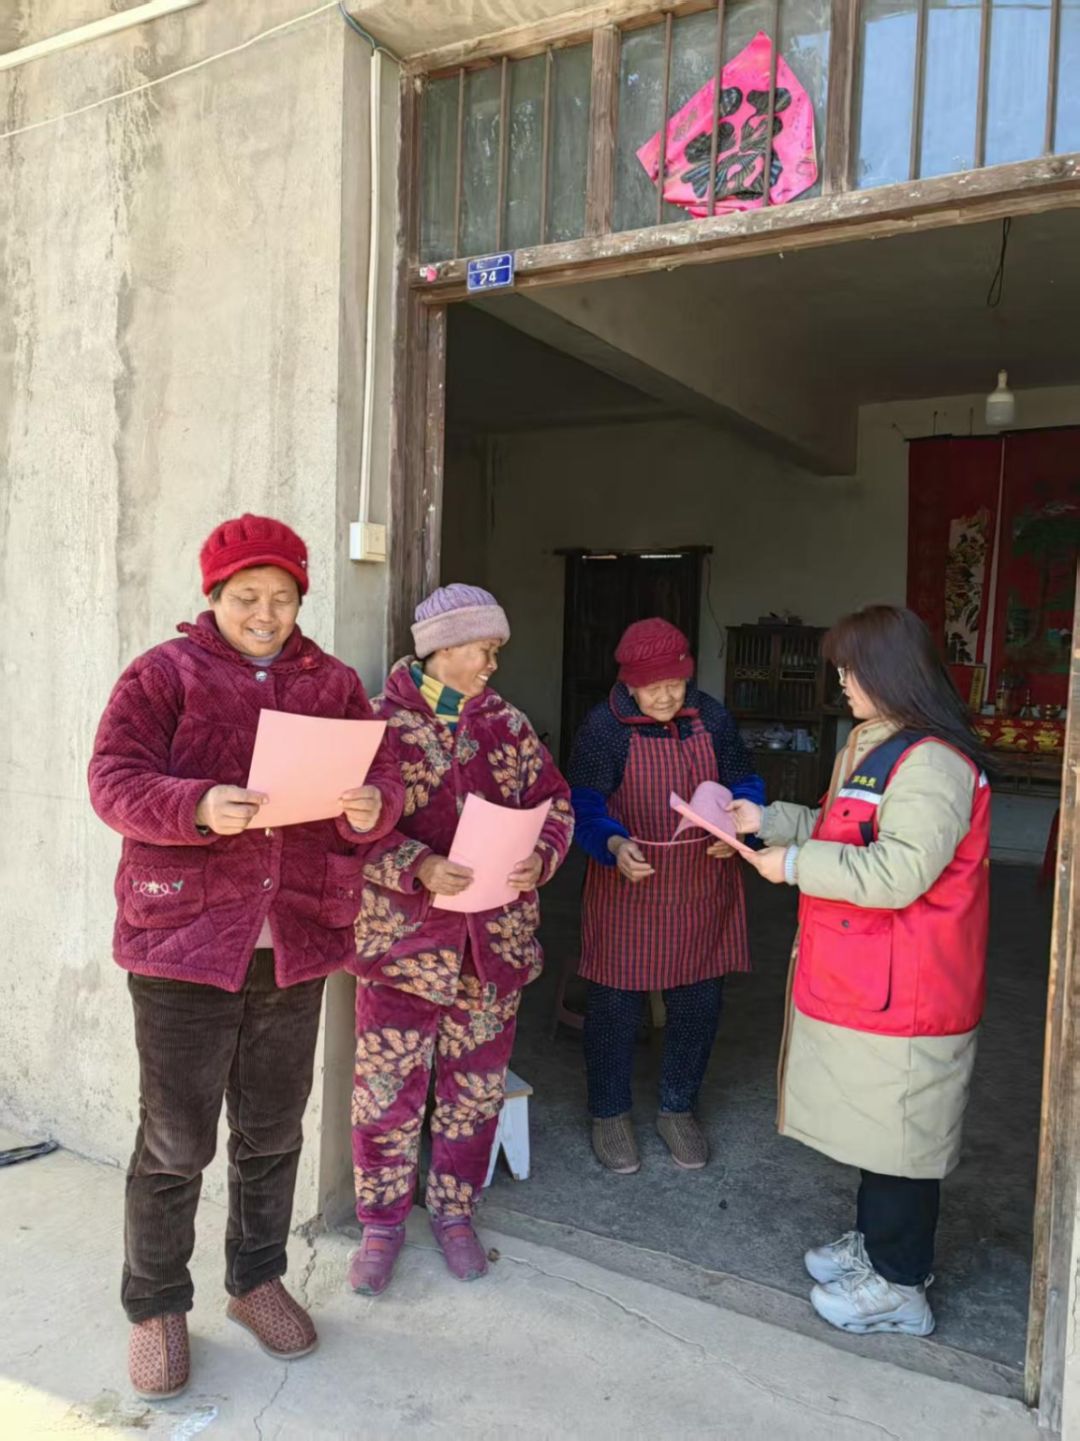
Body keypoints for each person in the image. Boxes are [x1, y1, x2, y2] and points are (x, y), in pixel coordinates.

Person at [88, 514, 403, 1400]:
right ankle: (156, 1303)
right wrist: (195, 805)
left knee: (272, 1128)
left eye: (282, 597)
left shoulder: (332, 684)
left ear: (301, 598)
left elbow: (381, 782)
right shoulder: (165, 673)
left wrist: (370, 807)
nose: (265, 613)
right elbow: (112, 780)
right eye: (246, 596)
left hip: (295, 941)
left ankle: (256, 1279)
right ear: (215, 595)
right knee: (174, 1137)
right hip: (184, 941)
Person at [729, 605, 990, 1338]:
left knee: (903, 1136)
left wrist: (793, 865)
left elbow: (898, 871)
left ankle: (901, 1285)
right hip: (875, 976)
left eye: (849, 669)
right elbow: (840, 827)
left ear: (888, 672)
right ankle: (876, 1247)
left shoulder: (931, 762)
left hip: (914, 985)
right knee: (882, 1128)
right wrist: (765, 821)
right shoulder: (877, 745)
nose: (840, 682)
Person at [346, 584, 574, 1296]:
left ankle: (454, 1212)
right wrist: (417, 865)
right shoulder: (377, 724)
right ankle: (381, 1224)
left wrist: (543, 856)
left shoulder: (509, 724)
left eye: (496, 649)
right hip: (402, 949)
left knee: (474, 1091)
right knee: (387, 1092)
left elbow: (557, 804)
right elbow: (342, 831)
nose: (492, 664)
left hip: (492, 946)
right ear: (442, 648)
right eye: (484, 648)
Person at [568, 618, 764, 1175]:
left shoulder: (711, 716)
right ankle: (609, 1113)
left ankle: (678, 1107)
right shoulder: (604, 727)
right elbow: (582, 803)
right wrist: (612, 843)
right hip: (629, 884)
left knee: (699, 1002)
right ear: (628, 683)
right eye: (652, 686)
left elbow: (745, 781)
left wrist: (740, 829)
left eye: (675, 684)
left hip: (702, 884)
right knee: (614, 1007)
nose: (665, 697)